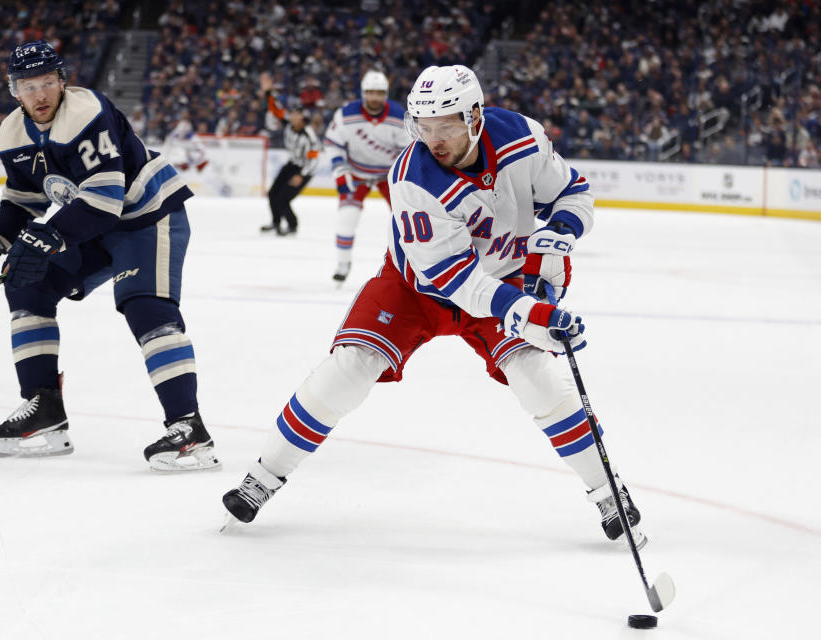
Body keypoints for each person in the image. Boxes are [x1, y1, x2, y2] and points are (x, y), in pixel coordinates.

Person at [222, 65, 647, 549]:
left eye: (444, 125)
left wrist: (559, 234)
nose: (433, 138)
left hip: (502, 279)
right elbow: (453, 278)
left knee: (537, 376)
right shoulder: (412, 176)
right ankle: (263, 476)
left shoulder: (522, 137)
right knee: (347, 369)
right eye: (423, 126)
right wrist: (527, 312)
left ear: (474, 116)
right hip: (416, 287)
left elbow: (573, 192)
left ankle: (607, 490)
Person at [0, 41, 219, 472]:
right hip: (94, 222)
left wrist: (48, 238)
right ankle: (44, 409)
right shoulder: (11, 133)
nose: (39, 95)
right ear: (13, 91)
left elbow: (106, 199)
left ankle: (189, 429)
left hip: (146, 215)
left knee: (145, 307)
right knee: (27, 285)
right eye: (28, 86)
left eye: (46, 83)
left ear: (62, 82)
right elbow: (23, 201)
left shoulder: (85, 112)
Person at [324, 70, 411, 282]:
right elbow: (332, 143)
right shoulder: (346, 115)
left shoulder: (398, 116)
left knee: (405, 221)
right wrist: (340, 170)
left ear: (386, 94)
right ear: (363, 93)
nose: (375, 97)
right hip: (356, 174)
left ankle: (410, 264)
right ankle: (343, 263)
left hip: (389, 176)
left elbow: (409, 150)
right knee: (347, 218)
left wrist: (405, 179)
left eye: (379, 93)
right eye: (371, 92)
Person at [259, 72, 322, 235]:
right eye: (292, 114)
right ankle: (276, 222)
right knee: (273, 193)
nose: (293, 117)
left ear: (302, 116)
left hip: (303, 170)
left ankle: (292, 226)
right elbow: (275, 109)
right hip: (292, 164)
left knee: (283, 198)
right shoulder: (288, 124)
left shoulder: (309, 136)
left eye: (297, 114)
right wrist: (269, 92)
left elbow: (314, 159)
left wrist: (301, 175)